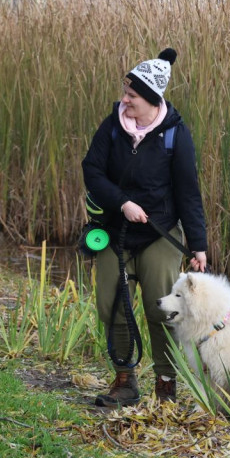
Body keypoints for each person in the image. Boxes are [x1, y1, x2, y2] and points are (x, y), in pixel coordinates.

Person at [82, 47, 208, 407]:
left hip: (160, 234)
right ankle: (124, 381)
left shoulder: (175, 134)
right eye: (125, 92)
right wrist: (122, 202)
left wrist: (197, 245)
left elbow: (188, 192)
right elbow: (91, 171)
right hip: (114, 232)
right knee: (112, 306)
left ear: (151, 100)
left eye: (132, 95)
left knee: (162, 309)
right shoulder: (112, 126)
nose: (124, 100)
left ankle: (166, 384)